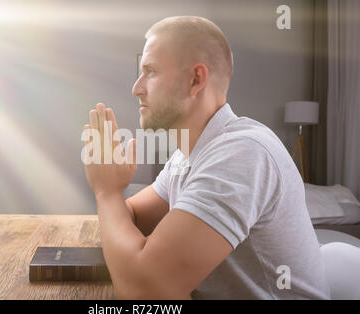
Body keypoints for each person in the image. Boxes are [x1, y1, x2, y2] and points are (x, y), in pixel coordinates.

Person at [82, 16, 330, 299]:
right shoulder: (189, 156)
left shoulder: (243, 153)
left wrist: (106, 191)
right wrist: (115, 202)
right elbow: (135, 216)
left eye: (150, 71)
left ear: (195, 79)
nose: (136, 88)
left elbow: (144, 293)